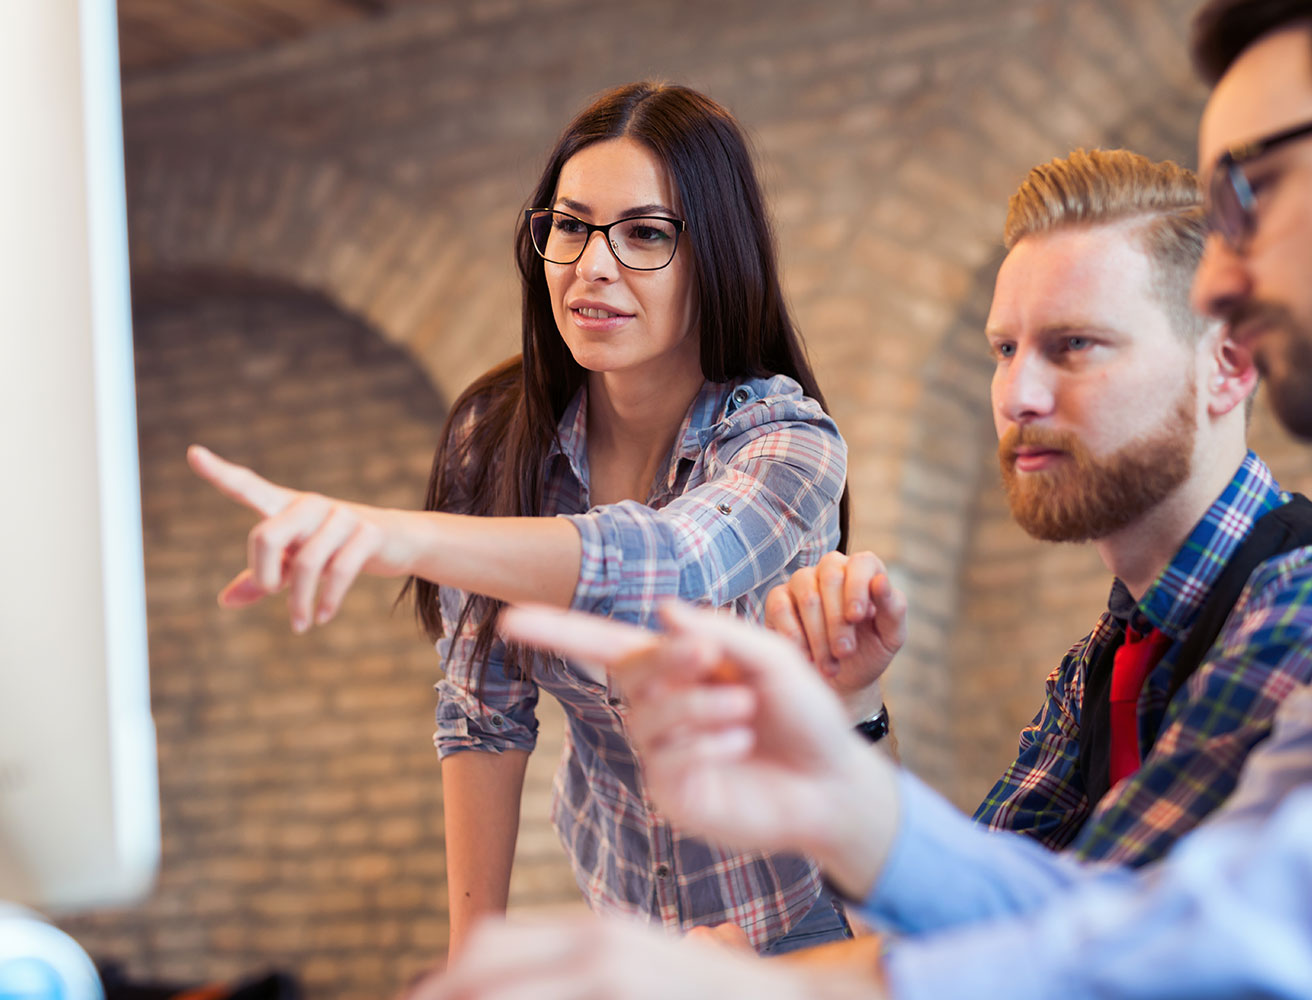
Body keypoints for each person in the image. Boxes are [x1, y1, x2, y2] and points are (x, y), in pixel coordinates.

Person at [409, 0, 1312, 995]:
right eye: (999, 349)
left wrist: (775, 983)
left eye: (1258, 191)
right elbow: (1133, 909)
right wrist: (844, 788)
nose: (1226, 278)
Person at [189, 81, 854, 958]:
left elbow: (673, 565)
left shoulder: (787, 443)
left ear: (718, 257)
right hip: (627, 918)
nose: (593, 268)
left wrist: (398, 535)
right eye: (571, 226)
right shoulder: (497, 438)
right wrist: (475, 962)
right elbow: (481, 714)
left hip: (803, 921)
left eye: (646, 234)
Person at [767, 149, 1312, 874]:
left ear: (1229, 365)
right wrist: (851, 702)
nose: (1016, 395)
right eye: (1004, 348)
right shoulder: (1105, 660)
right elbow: (960, 905)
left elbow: (1061, 941)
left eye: (1074, 345)